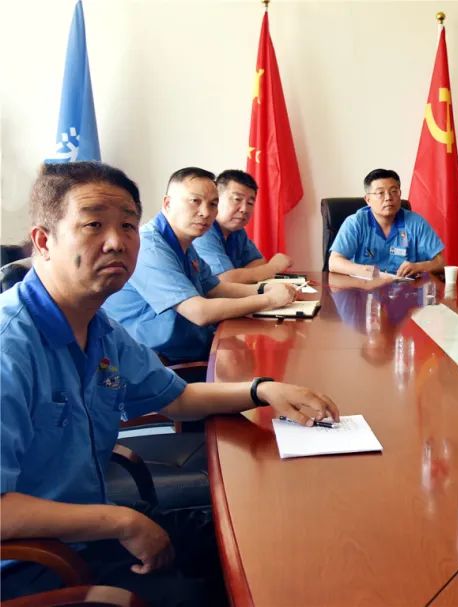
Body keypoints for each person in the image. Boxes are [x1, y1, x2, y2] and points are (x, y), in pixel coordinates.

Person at [0, 162, 339, 604]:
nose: (116, 242)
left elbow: (178, 398)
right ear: (44, 241)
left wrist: (262, 389)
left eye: (127, 225)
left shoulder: (99, 327)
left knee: (266, 541)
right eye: (93, 225)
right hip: (33, 562)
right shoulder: (10, 345)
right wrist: (122, 523)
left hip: (90, 523)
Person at [104, 167, 297, 363]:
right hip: (156, 361)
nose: (205, 212)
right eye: (195, 201)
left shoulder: (184, 242)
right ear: (168, 203)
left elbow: (216, 288)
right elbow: (200, 312)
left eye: (213, 204)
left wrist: (264, 289)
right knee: (258, 359)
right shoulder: (150, 247)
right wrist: (268, 300)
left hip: (192, 344)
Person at [327, 168, 445, 279]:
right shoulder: (355, 223)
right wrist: (369, 272)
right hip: (365, 289)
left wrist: (419, 267)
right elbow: (334, 262)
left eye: (394, 191)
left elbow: (441, 262)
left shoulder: (416, 223)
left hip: (405, 289)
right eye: (380, 193)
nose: (388, 197)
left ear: (400, 194)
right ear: (368, 200)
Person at [191, 170, 292, 283]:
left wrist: (238, 276)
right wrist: (273, 268)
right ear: (216, 200)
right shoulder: (203, 230)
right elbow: (224, 281)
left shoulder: (237, 231)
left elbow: (259, 263)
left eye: (250, 203)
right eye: (237, 199)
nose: (244, 209)